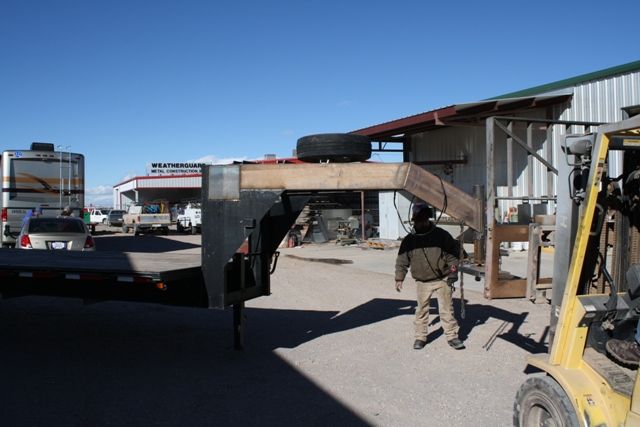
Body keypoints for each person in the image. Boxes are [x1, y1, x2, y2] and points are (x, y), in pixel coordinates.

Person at [395, 204, 466, 350]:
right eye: (418, 221)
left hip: (442, 278)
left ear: (428, 219)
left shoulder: (441, 235)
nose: (421, 224)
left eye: (423, 220)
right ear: (414, 221)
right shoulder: (409, 240)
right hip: (422, 281)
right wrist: (399, 278)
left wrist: (453, 273)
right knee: (421, 310)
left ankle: (452, 336)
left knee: (447, 310)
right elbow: (402, 260)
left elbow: (453, 256)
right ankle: (420, 337)